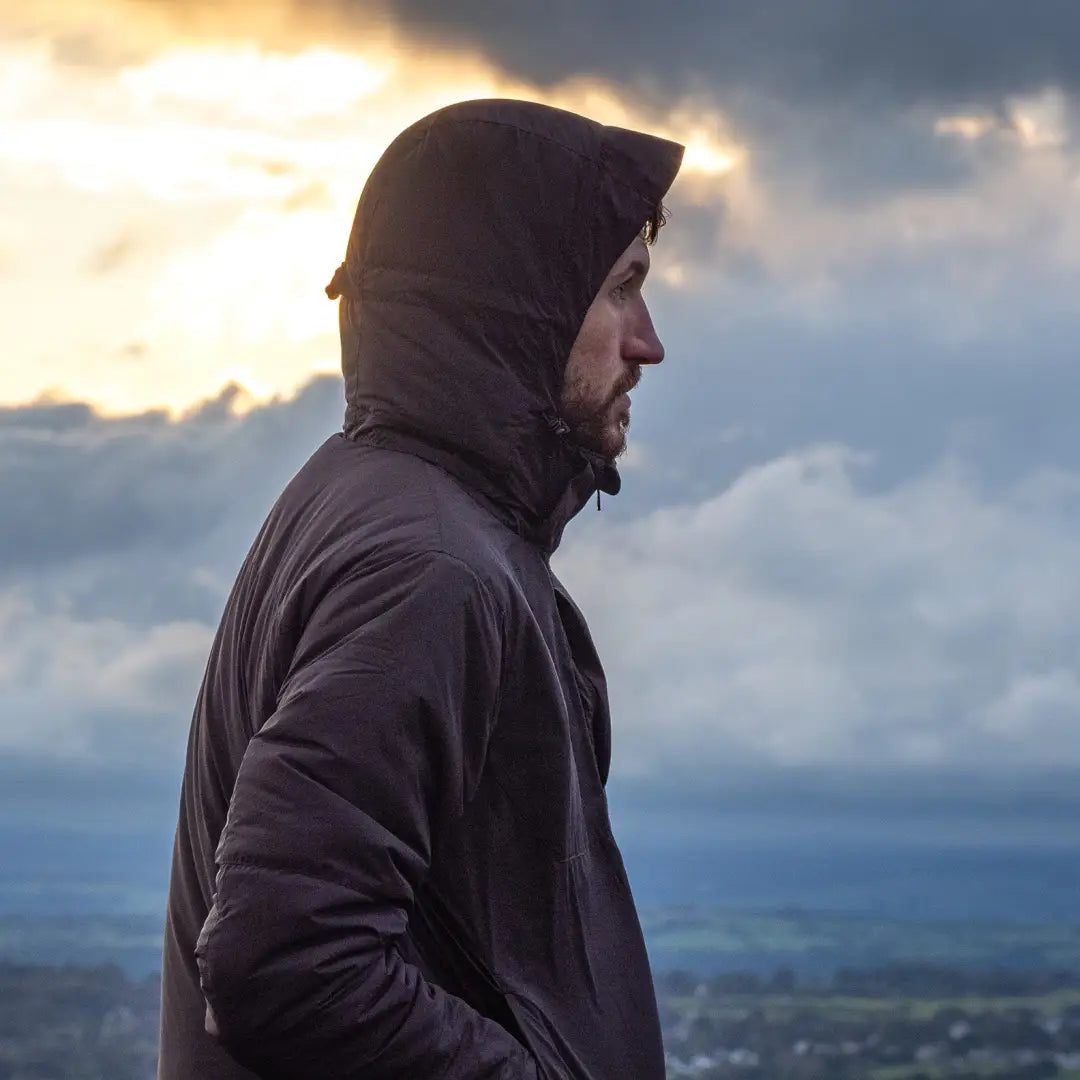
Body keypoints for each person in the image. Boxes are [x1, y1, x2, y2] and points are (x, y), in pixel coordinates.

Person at [158, 97, 683, 1080]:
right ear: (516, 303)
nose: (648, 343)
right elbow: (289, 963)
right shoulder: (429, 570)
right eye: (620, 291)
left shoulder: (378, 505)